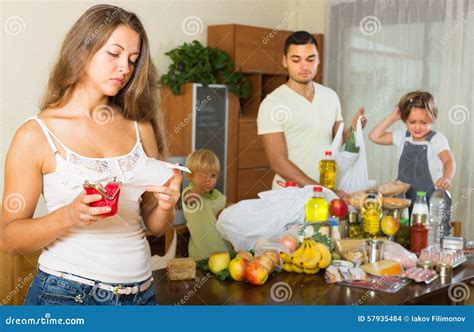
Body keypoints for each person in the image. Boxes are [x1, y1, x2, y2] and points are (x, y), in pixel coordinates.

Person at [0, 4, 181, 305]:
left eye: (133, 60)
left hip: (141, 296)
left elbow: (154, 222)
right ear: (82, 49)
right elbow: (8, 238)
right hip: (67, 296)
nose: (125, 68)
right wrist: (69, 216)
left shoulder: (141, 128)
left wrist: (166, 203)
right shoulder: (36, 135)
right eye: (114, 54)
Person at [257, 31, 366, 192]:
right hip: (290, 194)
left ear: (318, 59)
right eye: (296, 60)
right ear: (285, 61)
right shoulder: (272, 103)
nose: (304, 66)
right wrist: (317, 188)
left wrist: (355, 129)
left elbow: (337, 141)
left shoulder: (330, 96)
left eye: (310, 59)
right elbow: (278, 161)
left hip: (327, 190)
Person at [369, 91, 455, 203]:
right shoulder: (402, 136)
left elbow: (449, 161)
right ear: (405, 119)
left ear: (432, 119)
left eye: (423, 122)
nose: (417, 127)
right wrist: (392, 117)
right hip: (402, 201)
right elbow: (374, 136)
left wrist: (447, 178)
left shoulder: (437, 139)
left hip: (429, 201)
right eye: (412, 122)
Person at [182, 149, 231, 261]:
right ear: (191, 176)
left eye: (212, 175)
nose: (208, 180)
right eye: (203, 176)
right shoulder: (190, 193)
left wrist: (231, 208)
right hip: (201, 257)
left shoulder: (219, 196)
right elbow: (190, 199)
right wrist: (200, 187)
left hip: (225, 253)